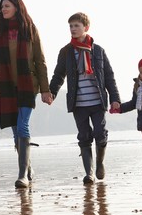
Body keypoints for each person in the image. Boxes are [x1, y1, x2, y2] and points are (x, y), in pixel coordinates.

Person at [0, 0, 52, 188]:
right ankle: (27, 168)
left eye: (7, 5)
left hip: (28, 86)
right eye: (1, 6)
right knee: (15, 132)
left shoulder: (30, 30)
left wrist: (45, 90)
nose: (3, 9)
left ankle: (22, 176)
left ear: (17, 7)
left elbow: (40, 62)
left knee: (22, 127)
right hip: (7, 87)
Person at [49, 12, 121, 184]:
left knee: (99, 133)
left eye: (76, 26)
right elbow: (59, 75)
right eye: (71, 26)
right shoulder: (66, 52)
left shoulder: (98, 51)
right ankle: (89, 173)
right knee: (84, 135)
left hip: (97, 102)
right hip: (78, 103)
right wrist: (51, 92)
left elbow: (109, 76)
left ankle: (100, 163)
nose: (73, 29)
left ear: (86, 28)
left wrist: (115, 98)